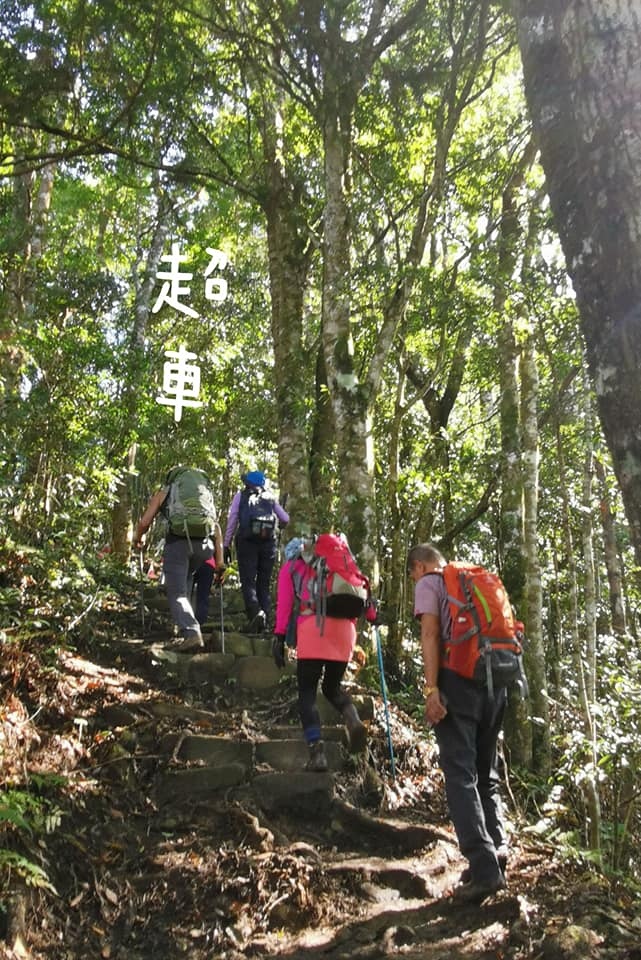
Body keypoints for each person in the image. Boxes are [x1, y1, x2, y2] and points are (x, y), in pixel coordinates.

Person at [408, 542, 508, 903]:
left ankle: (484, 869)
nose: (414, 580)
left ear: (419, 567)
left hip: (459, 683)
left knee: (461, 775)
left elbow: (431, 634)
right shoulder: (473, 578)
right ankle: (497, 854)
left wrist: (432, 689)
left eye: (412, 574)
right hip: (498, 682)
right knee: (486, 774)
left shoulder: (430, 584)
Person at [272, 537, 368, 772]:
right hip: (345, 632)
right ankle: (353, 719)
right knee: (332, 688)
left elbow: (285, 605)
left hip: (313, 628)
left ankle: (317, 754)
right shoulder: (340, 565)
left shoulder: (291, 566)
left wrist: (279, 636)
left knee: (307, 692)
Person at [134, 468, 224, 651]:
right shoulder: (203, 494)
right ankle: (182, 625)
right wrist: (220, 562)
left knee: (177, 593)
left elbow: (144, 522)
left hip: (178, 544)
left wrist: (137, 537)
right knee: (186, 581)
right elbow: (217, 529)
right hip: (204, 547)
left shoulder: (165, 491)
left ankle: (191, 632)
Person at [223, 470, 289, 632]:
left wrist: (226, 544)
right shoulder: (270, 496)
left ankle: (255, 614)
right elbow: (285, 518)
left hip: (247, 543)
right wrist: (281, 525)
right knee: (263, 584)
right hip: (268, 544)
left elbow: (233, 519)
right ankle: (264, 623)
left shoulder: (241, 495)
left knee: (248, 581)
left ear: (247, 483)